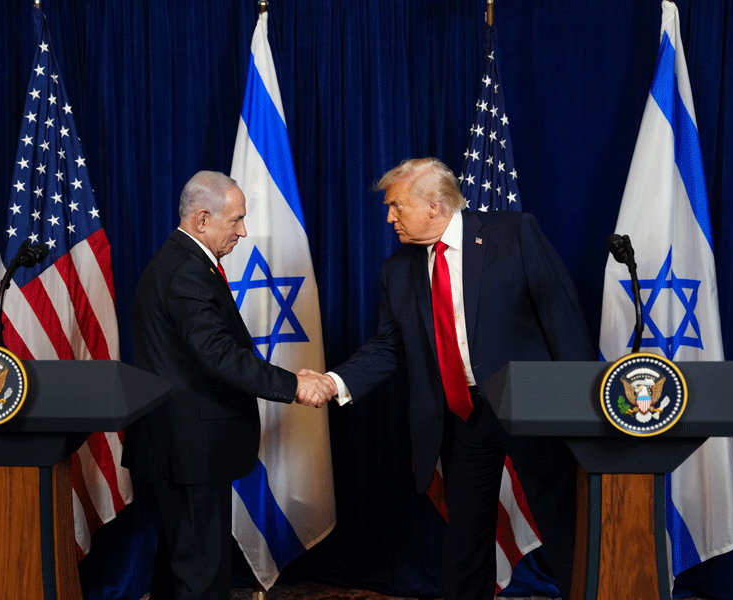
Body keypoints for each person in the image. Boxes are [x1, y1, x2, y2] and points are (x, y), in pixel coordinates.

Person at [310, 158, 594, 600]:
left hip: (533, 406)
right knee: (465, 540)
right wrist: (333, 382)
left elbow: (563, 323)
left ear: (435, 205)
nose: (389, 217)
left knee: (562, 527)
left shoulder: (514, 234)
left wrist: (580, 410)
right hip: (462, 416)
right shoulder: (397, 270)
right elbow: (388, 346)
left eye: (396, 207)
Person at [122, 171, 330, 600]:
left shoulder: (179, 262)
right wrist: (294, 385)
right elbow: (218, 356)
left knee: (180, 564)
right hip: (189, 448)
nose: (243, 230)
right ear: (202, 220)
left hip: (182, 446)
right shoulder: (185, 272)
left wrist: (292, 380)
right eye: (235, 220)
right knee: (201, 577)